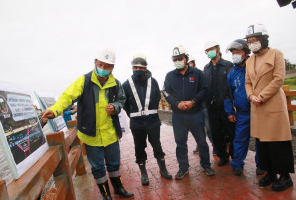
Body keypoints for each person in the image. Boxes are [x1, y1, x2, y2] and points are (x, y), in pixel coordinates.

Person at [41, 49, 134, 200]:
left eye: (107, 66)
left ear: (112, 68)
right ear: (95, 63)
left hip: (110, 134)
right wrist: (55, 109)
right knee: (97, 167)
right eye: (100, 64)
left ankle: (119, 189)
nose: (103, 68)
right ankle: (105, 195)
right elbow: (67, 97)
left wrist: (115, 107)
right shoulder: (84, 81)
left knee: (114, 163)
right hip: (91, 135)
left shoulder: (116, 84)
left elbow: (121, 100)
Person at [245, 24, 294, 191]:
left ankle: (285, 177)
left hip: (272, 104)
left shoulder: (276, 54)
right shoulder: (250, 60)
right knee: (262, 143)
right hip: (257, 106)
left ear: (263, 40)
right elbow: (248, 82)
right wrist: (251, 95)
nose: (252, 44)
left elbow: (278, 79)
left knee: (278, 142)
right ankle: (271, 173)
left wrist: (262, 96)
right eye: (249, 41)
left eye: (255, 40)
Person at [163, 45, 214, 179]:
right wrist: (177, 103)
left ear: (186, 58)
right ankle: (183, 168)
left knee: (202, 141)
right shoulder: (170, 76)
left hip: (196, 114)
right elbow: (166, 92)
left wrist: (193, 101)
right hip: (178, 116)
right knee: (180, 143)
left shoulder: (197, 73)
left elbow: (204, 89)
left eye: (180, 58)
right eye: (175, 59)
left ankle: (206, 165)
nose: (177, 61)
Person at [122, 53, 172, 185]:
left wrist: (150, 113)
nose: (138, 70)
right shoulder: (126, 84)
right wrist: (133, 114)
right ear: (132, 68)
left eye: (141, 67)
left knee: (157, 145)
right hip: (136, 123)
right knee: (139, 147)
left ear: (146, 68)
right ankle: (143, 173)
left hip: (153, 121)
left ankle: (163, 169)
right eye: (135, 67)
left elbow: (156, 98)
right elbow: (124, 103)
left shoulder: (153, 81)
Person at [224, 39, 264, 176]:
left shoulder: (254, 67)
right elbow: (227, 95)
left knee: (261, 139)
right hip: (242, 113)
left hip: (258, 109)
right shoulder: (231, 73)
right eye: (233, 53)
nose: (234, 55)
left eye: (237, 52)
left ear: (246, 53)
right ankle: (237, 164)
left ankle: (262, 164)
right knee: (240, 139)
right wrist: (230, 112)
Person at [203, 40, 235, 166]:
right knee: (216, 134)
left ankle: (235, 156)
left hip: (226, 106)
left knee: (232, 133)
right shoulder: (206, 68)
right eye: (207, 51)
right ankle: (223, 156)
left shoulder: (228, 65)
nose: (209, 52)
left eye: (211, 49)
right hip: (212, 108)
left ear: (217, 48)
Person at [188, 56, 216, 156]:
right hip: (194, 108)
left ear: (193, 63)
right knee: (197, 129)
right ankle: (199, 146)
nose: (189, 64)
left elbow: (204, 89)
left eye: (190, 62)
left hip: (203, 106)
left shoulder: (200, 74)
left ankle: (215, 147)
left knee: (209, 128)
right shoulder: (186, 76)